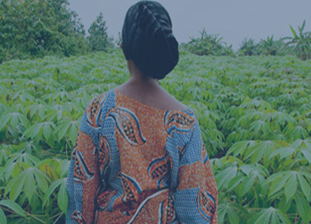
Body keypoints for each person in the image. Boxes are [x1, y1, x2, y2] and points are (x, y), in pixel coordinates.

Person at [66, 1, 218, 223]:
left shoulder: (99, 110)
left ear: (124, 47)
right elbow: (193, 207)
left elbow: (81, 193)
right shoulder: (184, 121)